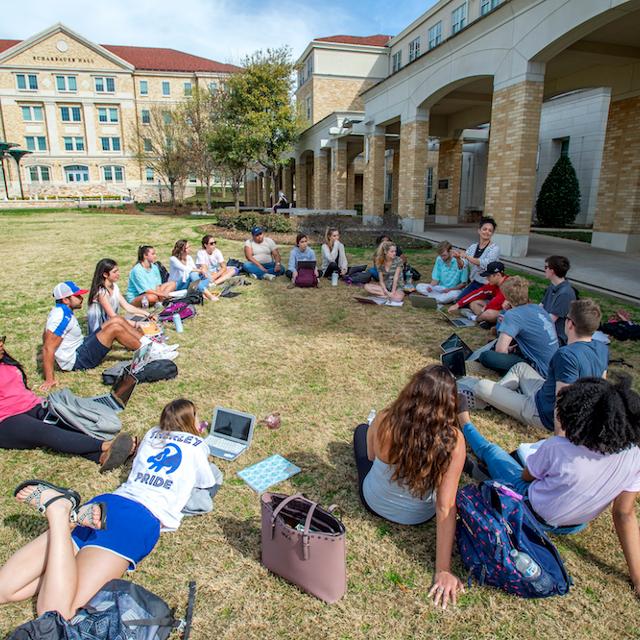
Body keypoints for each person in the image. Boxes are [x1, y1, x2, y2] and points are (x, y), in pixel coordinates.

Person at [0, 398, 220, 619]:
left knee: (5, 590)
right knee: (58, 614)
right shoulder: (198, 445)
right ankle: (59, 512)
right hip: (137, 519)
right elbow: (207, 482)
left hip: (103, 506)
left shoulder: (152, 433)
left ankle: (66, 517)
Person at [461, 377, 640, 596]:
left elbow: (526, 477)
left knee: (493, 452)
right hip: (574, 525)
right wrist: (638, 578)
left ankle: (464, 422)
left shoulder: (557, 447)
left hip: (531, 511)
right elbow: (624, 514)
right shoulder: (635, 457)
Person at [352, 365, 466, 608]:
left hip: (373, 500)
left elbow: (371, 457)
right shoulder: (454, 442)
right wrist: (442, 569)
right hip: (418, 516)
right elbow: (446, 506)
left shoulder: (385, 418)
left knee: (361, 431)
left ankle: (362, 429)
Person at [0, 335, 135, 470]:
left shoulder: (4, 361)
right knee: (44, 431)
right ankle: (105, 446)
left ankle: (101, 457)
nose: (1, 344)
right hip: (5, 419)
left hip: (32, 404)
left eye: (1, 339)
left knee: (67, 421)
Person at [475, 299, 608, 430]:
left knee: (481, 386)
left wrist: (559, 440)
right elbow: (601, 388)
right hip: (544, 392)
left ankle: (495, 399)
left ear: (570, 324)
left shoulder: (566, 355)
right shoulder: (601, 348)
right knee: (520, 367)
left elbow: (561, 403)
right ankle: (500, 397)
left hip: (541, 413)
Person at [41, 281, 142, 392]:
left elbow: (45, 334)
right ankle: (149, 351)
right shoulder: (60, 317)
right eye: (77, 296)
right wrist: (49, 380)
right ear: (65, 300)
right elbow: (47, 347)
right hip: (78, 360)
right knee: (115, 329)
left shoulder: (62, 311)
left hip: (81, 346)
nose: (81, 298)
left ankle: (148, 342)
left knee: (116, 320)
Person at [478, 276, 559, 378]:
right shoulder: (537, 308)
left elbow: (501, 350)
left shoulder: (513, 315)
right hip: (553, 365)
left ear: (506, 297)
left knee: (486, 356)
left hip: (539, 369)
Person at [87, 259, 150, 334]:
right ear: (105, 275)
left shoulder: (114, 287)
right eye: (114, 272)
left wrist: (147, 314)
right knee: (138, 325)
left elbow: (127, 306)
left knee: (140, 315)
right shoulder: (101, 292)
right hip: (101, 330)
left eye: (118, 271)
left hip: (112, 322)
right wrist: (136, 324)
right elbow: (113, 316)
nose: (118, 274)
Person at [452, 217, 500, 299]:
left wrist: (467, 256)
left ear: (492, 233)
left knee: (470, 302)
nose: (487, 232)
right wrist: (458, 258)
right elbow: (463, 265)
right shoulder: (473, 247)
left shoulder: (495, 248)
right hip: (475, 282)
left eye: (490, 230)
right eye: (485, 229)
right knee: (459, 300)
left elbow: (484, 263)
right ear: (479, 230)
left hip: (488, 284)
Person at [447, 261, 508, 326]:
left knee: (489, 313)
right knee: (474, 303)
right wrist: (457, 304)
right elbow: (477, 293)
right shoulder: (494, 284)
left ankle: (476, 319)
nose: (487, 278)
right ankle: (485, 321)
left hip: (508, 314)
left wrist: (484, 310)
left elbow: (497, 303)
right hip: (498, 310)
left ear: (498, 275)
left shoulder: (508, 284)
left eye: (489, 276)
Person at [541, 255, 577, 345]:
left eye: (546, 267)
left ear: (552, 271)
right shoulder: (552, 287)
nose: (544, 270)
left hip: (556, 338)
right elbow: (540, 307)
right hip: (547, 331)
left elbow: (549, 321)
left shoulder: (565, 294)